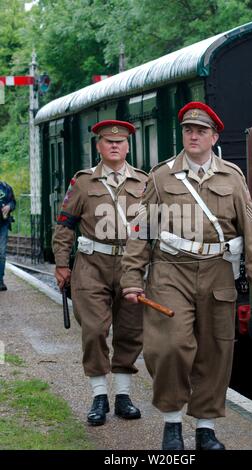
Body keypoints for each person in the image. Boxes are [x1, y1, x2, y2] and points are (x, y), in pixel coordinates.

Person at [121, 102, 252, 450]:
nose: (193, 135)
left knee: (215, 350)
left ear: (214, 137)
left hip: (219, 272)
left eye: (201, 131)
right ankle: (172, 423)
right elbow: (141, 229)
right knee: (169, 346)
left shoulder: (232, 177)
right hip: (171, 272)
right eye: (188, 130)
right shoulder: (161, 176)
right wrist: (131, 275)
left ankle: (205, 427)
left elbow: (251, 228)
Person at [52, 120, 147, 426]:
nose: (115, 145)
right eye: (108, 141)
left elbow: (154, 229)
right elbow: (65, 225)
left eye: (120, 142)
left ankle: (122, 396)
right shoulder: (83, 183)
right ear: (99, 146)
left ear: (128, 146)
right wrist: (62, 264)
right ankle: (98, 396)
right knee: (93, 329)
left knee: (130, 331)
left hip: (131, 266)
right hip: (92, 266)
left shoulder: (144, 183)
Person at [0, 180, 16, 291]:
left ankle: (0, 280)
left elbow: (13, 202)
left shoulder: (6, 187)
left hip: (3, 224)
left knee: (1, 253)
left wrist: (9, 206)